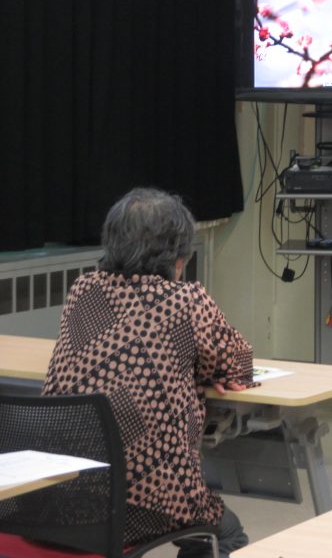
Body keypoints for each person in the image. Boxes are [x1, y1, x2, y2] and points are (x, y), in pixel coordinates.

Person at [43, 188, 255, 557]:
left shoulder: (82, 290)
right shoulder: (187, 300)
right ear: (177, 255)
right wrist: (203, 370)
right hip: (150, 503)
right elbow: (238, 364)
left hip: (63, 496)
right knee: (227, 535)